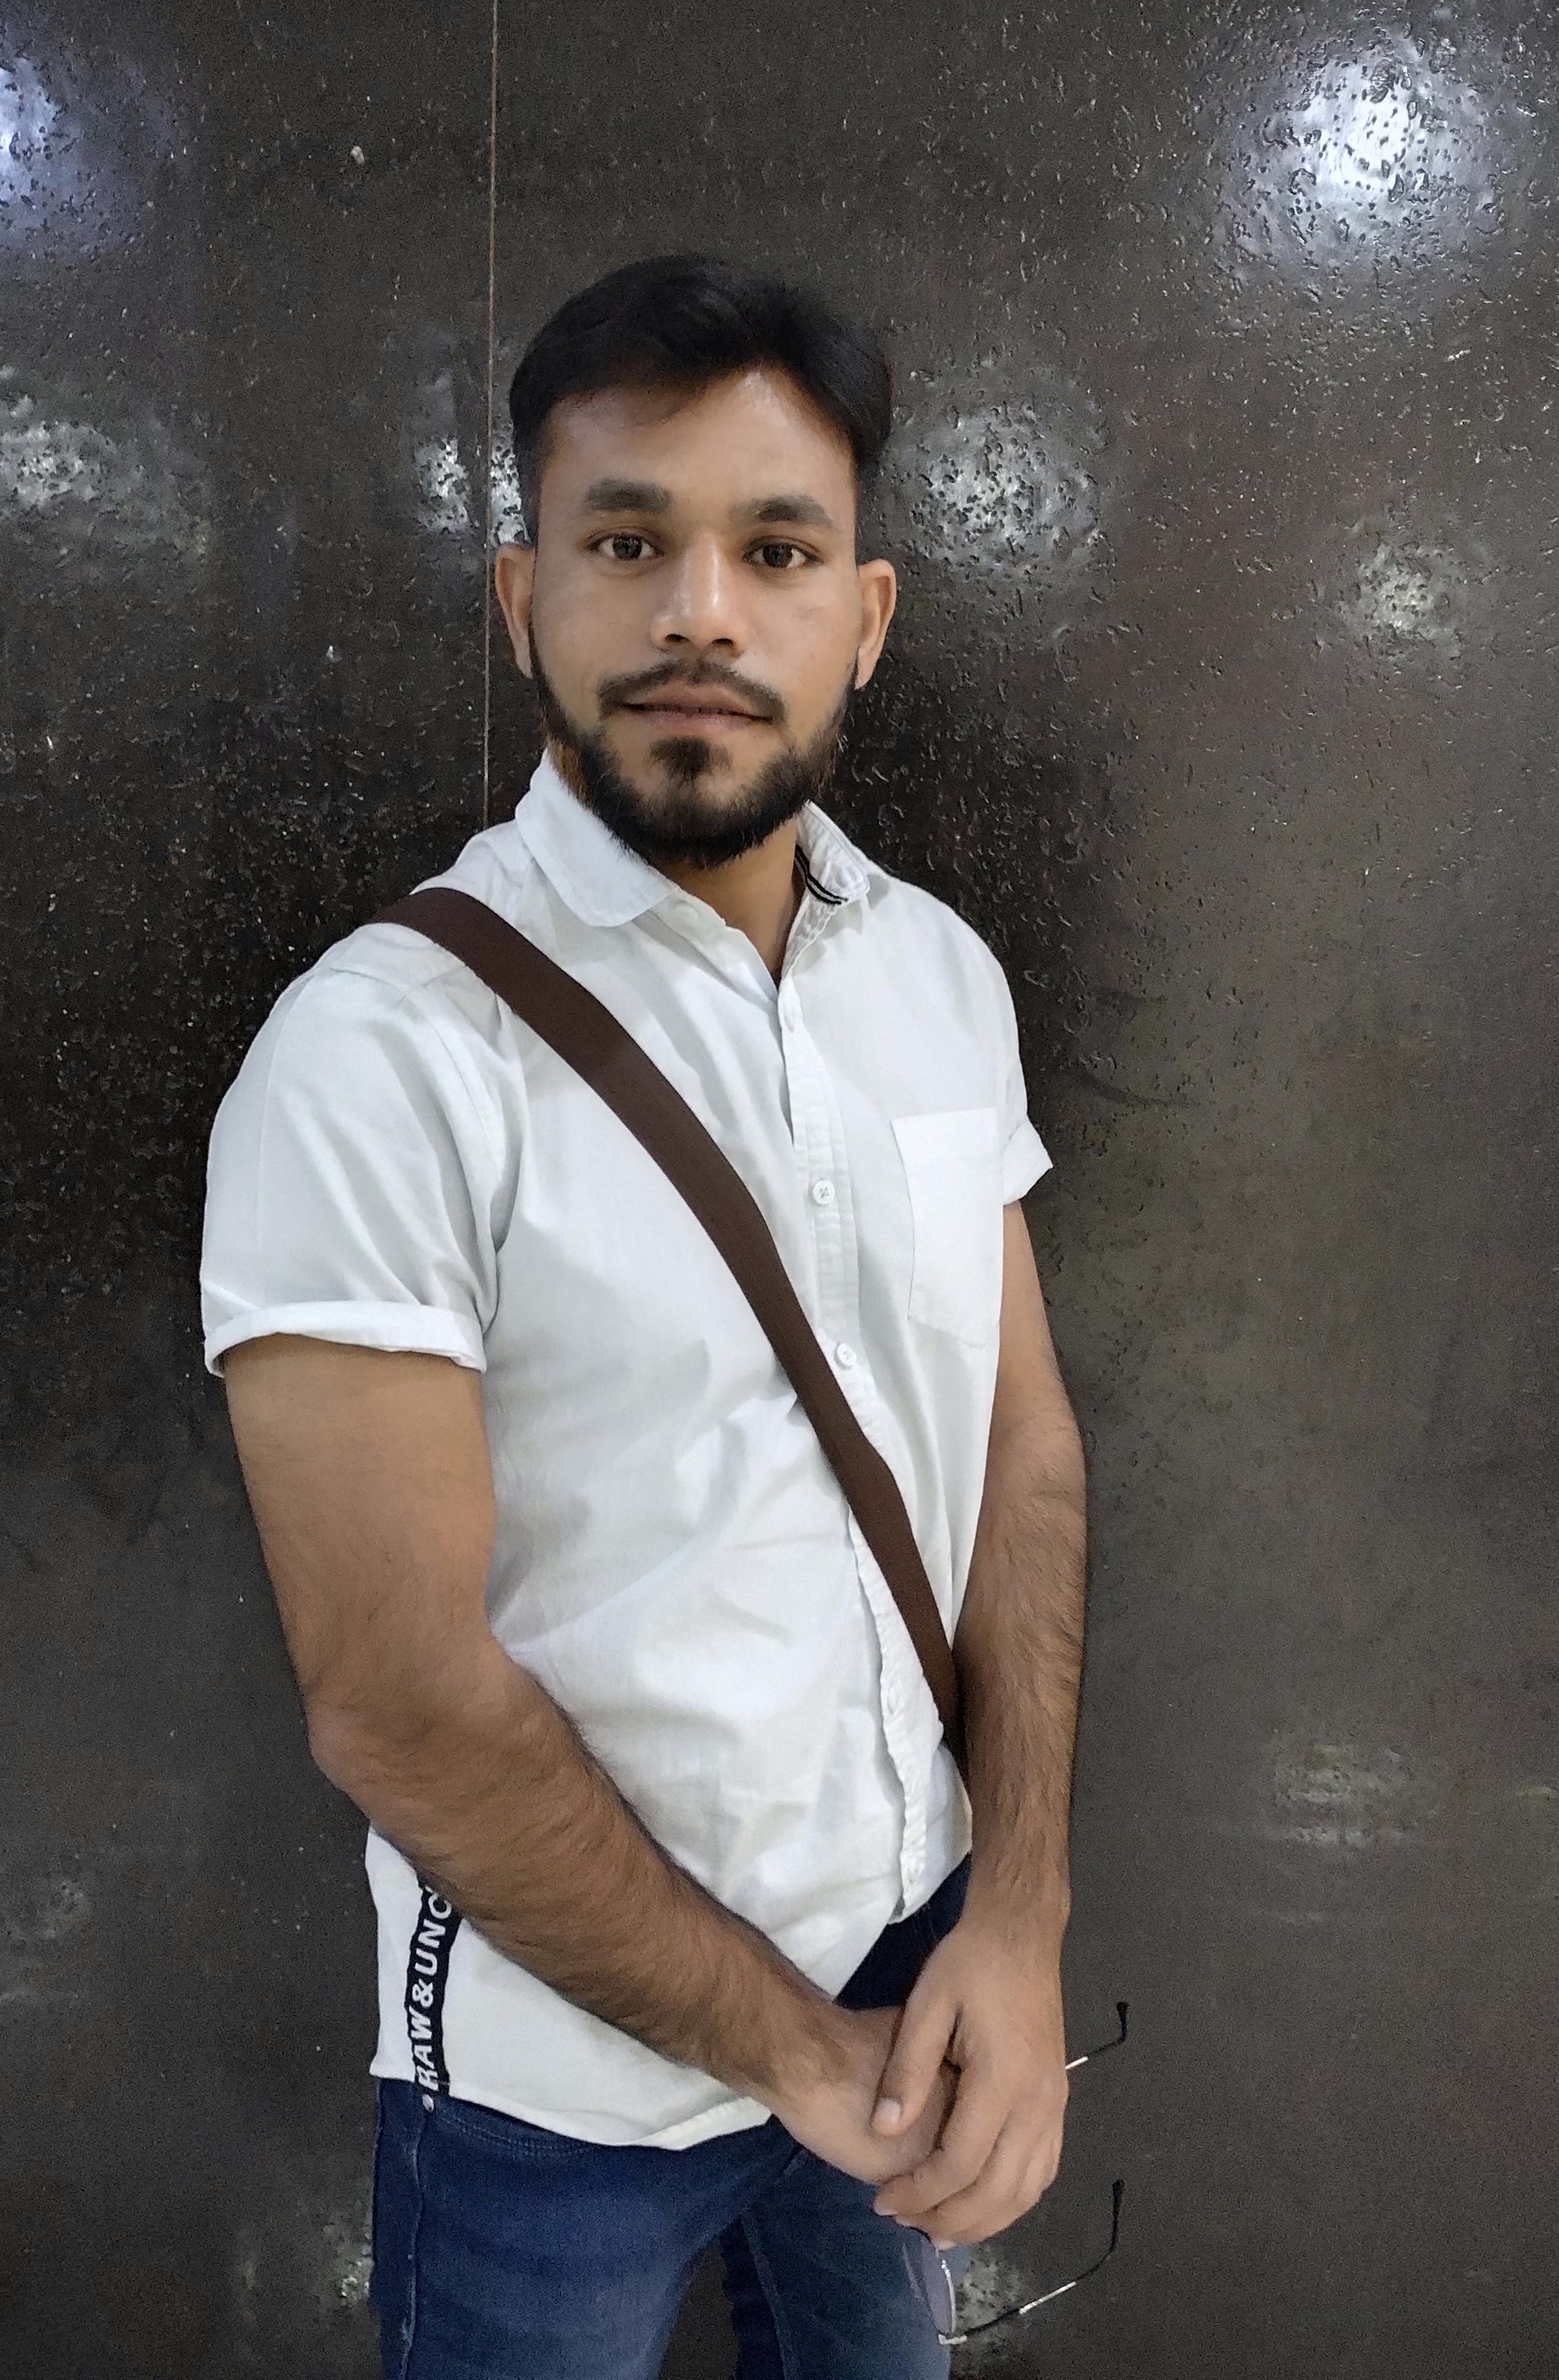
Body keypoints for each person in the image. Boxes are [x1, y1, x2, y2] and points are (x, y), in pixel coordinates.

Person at [201, 251, 1087, 2379]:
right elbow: (394, 1700)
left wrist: (1022, 1918)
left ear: (864, 616)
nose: (702, 612)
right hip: (551, 2082)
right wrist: (789, 2049)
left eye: (777, 550)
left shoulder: (935, 975)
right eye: (627, 543)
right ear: (526, 603)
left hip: (917, 1978)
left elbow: (1022, 1450)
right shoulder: (376, 1058)